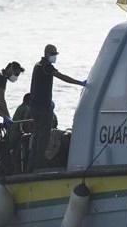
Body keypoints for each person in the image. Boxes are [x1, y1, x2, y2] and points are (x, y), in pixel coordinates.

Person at [28, 44, 87, 172]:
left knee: (37, 135)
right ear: (48, 53)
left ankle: (31, 163)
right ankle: (39, 165)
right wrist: (80, 83)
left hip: (34, 106)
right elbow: (61, 77)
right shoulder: (46, 66)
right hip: (43, 108)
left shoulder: (37, 65)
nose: (55, 56)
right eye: (54, 54)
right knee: (43, 136)